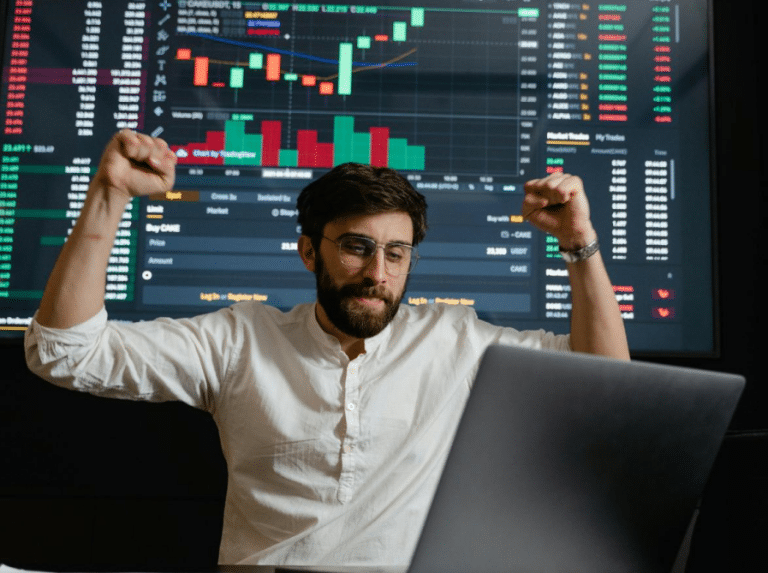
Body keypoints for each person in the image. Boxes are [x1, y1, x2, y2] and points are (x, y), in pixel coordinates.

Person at [25, 130, 629, 567]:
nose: (378, 273)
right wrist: (109, 193)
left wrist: (579, 243)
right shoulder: (239, 340)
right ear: (310, 252)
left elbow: (607, 382)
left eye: (396, 253)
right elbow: (64, 351)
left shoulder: (457, 340)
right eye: (357, 247)